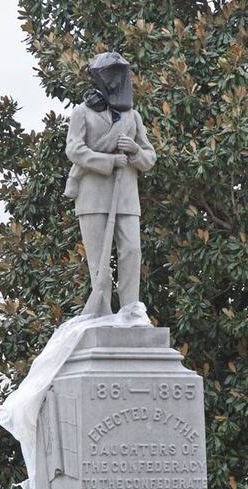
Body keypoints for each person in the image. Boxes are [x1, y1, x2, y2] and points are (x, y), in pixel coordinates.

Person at [64, 52, 156, 317]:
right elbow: (74, 149)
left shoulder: (132, 116)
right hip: (92, 195)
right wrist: (107, 161)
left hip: (126, 196)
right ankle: (101, 313)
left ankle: (130, 310)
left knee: (131, 251)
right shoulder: (81, 113)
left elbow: (149, 157)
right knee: (99, 259)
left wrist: (135, 151)